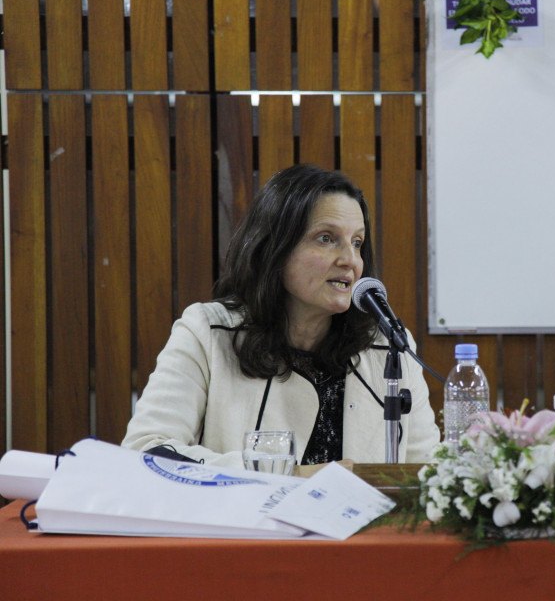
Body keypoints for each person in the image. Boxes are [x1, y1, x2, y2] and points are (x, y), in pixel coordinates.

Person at [123, 164, 439, 468]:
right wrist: (287, 475)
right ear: (276, 246)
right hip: (246, 522)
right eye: (326, 238)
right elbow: (146, 451)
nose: (349, 260)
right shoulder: (208, 332)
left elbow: (428, 470)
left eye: (357, 242)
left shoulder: (388, 346)